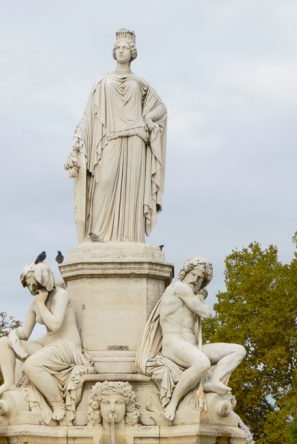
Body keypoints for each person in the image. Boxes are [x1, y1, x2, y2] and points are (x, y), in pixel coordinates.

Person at [65, 28, 167, 243]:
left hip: (136, 140)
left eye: (125, 48)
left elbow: (161, 109)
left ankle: (131, 237)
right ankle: (99, 235)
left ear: (133, 53)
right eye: (118, 48)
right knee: (104, 182)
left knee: (132, 191)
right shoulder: (102, 82)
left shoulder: (141, 83)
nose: (121, 51)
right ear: (114, 52)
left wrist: (148, 118)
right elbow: (88, 116)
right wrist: (76, 143)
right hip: (109, 139)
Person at [136, 257, 246, 421]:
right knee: (202, 363)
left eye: (200, 278)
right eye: (193, 274)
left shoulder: (190, 294)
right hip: (173, 345)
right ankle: (173, 403)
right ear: (185, 273)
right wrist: (200, 299)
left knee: (238, 351)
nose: (195, 280)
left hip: (191, 347)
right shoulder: (178, 288)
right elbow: (205, 312)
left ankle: (213, 381)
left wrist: (198, 298)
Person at [0, 259, 90, 424]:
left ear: (45, 281)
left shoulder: (61, 295)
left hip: (67, 346)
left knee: (31, 365)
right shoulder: (35, 303)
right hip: (49, 344)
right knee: (4, 342)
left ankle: (58, 404)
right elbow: (25, 333)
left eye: (35, 285)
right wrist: (13, 335)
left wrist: (40, 304)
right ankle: (9, 383)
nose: (32, 289)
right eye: (30, 286)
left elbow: (55, 323)